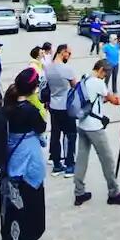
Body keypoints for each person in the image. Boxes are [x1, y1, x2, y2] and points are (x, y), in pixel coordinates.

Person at [0, 67, 48, 240]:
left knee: (13, 202)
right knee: (30, 200)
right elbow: (41, 127)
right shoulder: (29, 110)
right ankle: (25, 238)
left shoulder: (7, 106)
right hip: (28, 159)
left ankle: (10, 239)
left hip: (11, 158)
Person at [73, 60, 120, 206]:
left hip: (82, 124)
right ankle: (114, 192)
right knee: (107, 160)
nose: (105, 77)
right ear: (101, 70)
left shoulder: (85, 78)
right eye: (105, 74)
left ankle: (79, 192)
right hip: (94, 127)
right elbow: (113, 99)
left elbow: (95, 99)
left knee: (81, 159)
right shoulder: (98, 83)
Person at [45, 44, 77, 177]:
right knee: (70, 134)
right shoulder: (67, 69)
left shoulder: (48, 68)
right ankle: (70, 164)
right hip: (66, 106)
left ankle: (57, 164)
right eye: (68, 53)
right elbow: (75, 86)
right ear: (63, 52)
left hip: (53, 105)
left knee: (55, 134)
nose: (69, 56)